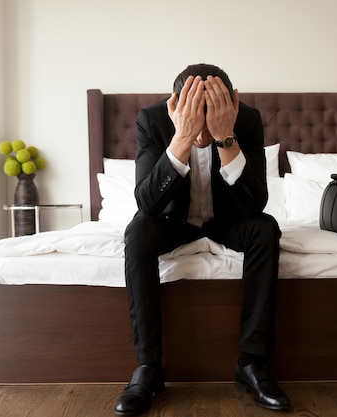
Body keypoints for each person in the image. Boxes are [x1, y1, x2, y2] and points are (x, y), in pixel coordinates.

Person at [114, 63, 290, 416]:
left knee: (265, 228)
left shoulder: (247, 119)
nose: (203, 132)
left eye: (212, 118)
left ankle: (251, 363)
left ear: (231, 104)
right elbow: (147, 203)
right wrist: (182, 137)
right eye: (196, 116)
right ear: (174, 107)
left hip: (228, 222)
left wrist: (226, 137)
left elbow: (255, 203)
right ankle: (148, 367)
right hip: (172, 222)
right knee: (137, 230)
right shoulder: (153, 120)